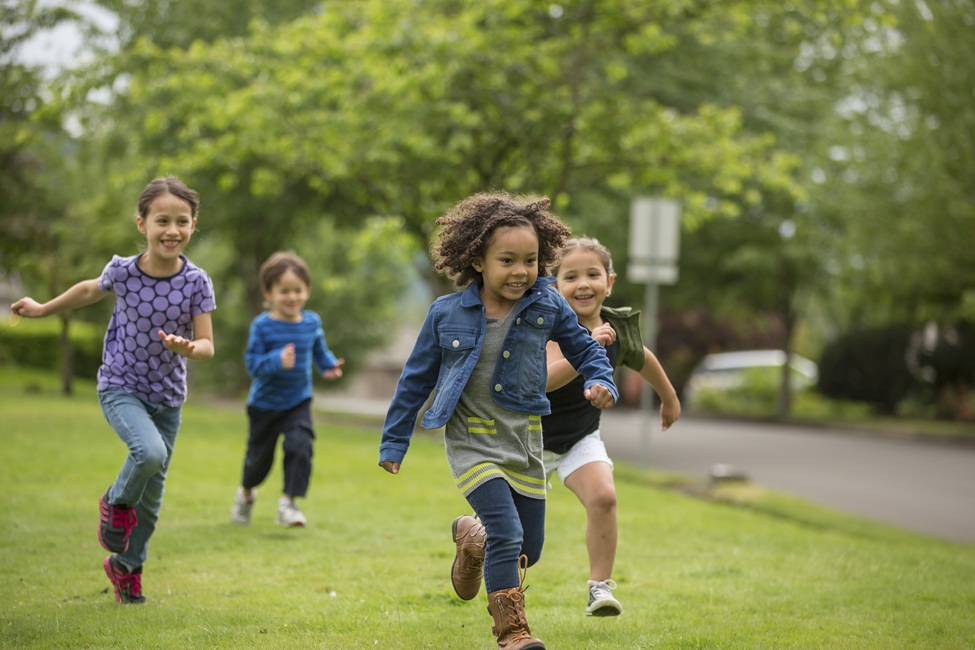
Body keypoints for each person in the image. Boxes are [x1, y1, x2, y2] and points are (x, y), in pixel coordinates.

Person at [378, 192, 618, 650]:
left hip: (524, 441)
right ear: (477, 260)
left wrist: (600, 379)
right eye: (507, 260)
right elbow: (415, 379)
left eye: (530, 260)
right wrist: (394, 442)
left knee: (529, 548)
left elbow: (587, 347)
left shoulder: (548, 304)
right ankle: (512, 632)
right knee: (508, 532)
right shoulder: (445, 313)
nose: (520, 271)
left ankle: (473, 538)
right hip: (470, 442)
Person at [10, 177, 216, 605]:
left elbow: (207, 346)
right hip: (121, 386)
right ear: (141, 224)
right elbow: (89, 289)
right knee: (150, 453)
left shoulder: (197, 282)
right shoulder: (124, 270)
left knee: (153, 502)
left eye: (182, 221)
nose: (172, 230)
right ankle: (114, 501)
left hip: (168, 398)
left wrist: (189, 348)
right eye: (162, 220)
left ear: (194, 225)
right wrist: (44, 309)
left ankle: (126, 568)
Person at [542, 236, 681, 617]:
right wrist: (586, 347)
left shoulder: (616, 328)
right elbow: (547, 379)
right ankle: (474, 538)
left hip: (578, 439)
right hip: (527, 441)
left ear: (610, 282)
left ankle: (599, 588)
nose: (582, 284)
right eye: (570, 277)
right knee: (516, 531)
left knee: (604, 497)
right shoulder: (547, 324)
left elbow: (642, 357)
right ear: (555, 286)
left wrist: (668, 397)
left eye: (592, 274)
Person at [230, 251, 344, 528]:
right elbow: (252, 365)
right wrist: (276, 360)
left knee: (300, 445)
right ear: (268, 293)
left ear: (307, 291)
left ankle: (288, 503)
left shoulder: (311, 322)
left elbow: (318, 349)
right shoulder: (262, 326)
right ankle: (245, 495)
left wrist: (327, 365)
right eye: (284, 291)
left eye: (297, 290)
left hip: (297, 401)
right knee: (258, 462)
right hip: (264, 405)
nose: (291, 297)